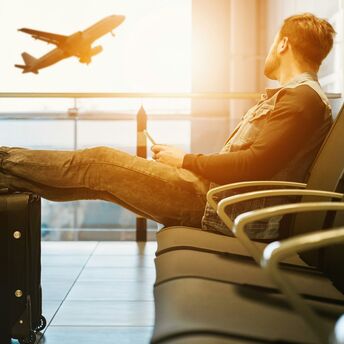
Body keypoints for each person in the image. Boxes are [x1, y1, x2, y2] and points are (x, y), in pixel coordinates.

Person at [0, 13, 336, 239]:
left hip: (218, 205)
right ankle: (5, 176)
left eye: (272, 42)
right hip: (215, 197)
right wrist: (187, 162)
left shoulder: (302, 100)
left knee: (97, 161)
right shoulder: (300, 99)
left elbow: (253, 164)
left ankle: (2, 159)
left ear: (283, 44)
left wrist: (185, 161)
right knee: (98, 182)